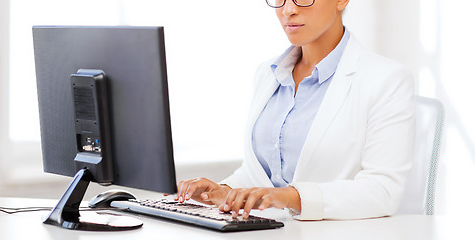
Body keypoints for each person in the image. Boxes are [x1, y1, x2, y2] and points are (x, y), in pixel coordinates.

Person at [175, 0, 416, 220]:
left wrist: (290, 197)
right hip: (268, 231)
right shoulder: (268, 74)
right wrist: (224, 192)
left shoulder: (387, 79)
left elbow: (382, 191)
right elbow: (262, 175)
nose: (288, 9)